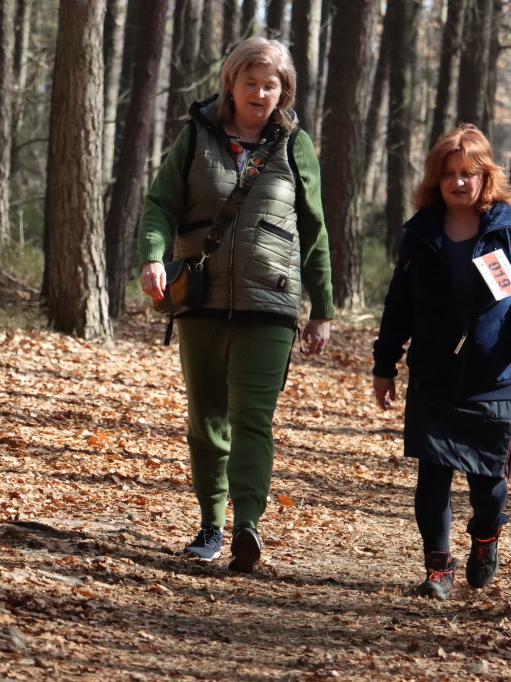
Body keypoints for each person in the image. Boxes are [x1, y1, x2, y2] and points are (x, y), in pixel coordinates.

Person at [137, 37, 333, 574]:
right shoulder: (196, 137)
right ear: (231, 82)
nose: (260, 92)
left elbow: (314, 233)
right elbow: (160, 204)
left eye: (271, 85)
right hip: (199, 301)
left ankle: (247, 523)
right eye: (251, 82)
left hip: (269, 303)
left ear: (283, 91)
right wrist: (153, 257)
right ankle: (210, 523)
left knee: (253, 418)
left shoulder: (296, 146)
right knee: (207, 419)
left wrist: (322, 310)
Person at [372, 124, 511, 599]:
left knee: (489, 489)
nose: (458, 183)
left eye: (468, 173)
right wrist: (385, 364)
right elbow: (399, 303)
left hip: (492, 378)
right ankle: (438, 568)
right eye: (448, 174)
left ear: (485, 175)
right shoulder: (421, 231)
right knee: (432, 478)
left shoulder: (509, 227)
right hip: (433, 375)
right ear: (436, 179)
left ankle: (486, 539)